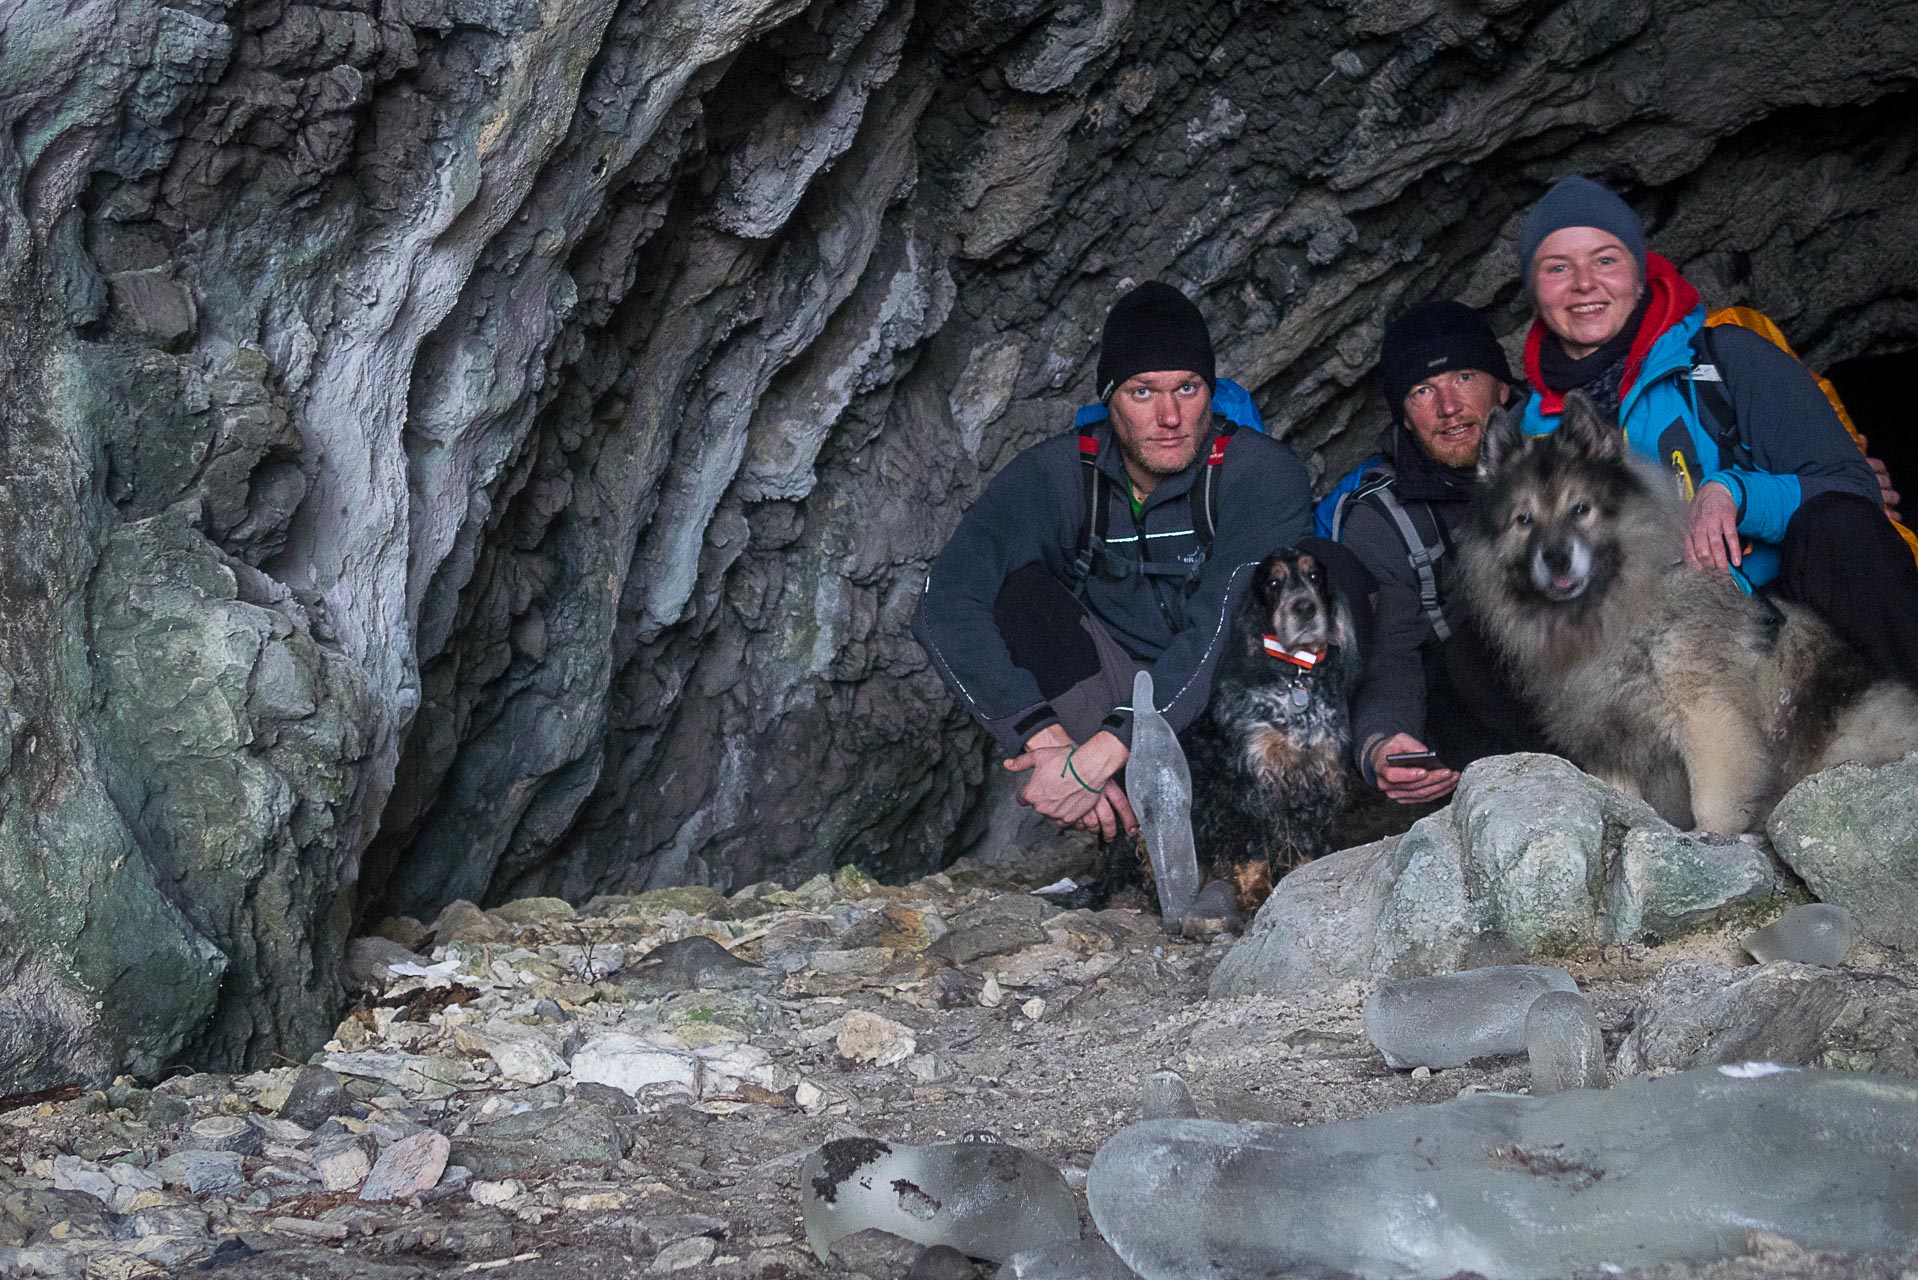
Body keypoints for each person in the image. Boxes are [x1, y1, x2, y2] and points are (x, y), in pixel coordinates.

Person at [912, 281, 1315, 841]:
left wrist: (1103, 753)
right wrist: (1048, 745)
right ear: (1110, 399)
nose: (1170, 416)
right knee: (1016, 594)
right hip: (1119, 708)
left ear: (1211, 391)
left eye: (1188, 388)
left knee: (1320, 575)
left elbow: (1222, 625)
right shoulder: (1056, 478)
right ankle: (1132, 825)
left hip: (1242, 704)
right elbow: (943, 601)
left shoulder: (1261, 475)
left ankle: (1269, 815)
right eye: (1143, 392)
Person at [1516, 176, 1918, 684]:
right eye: (1557, 268)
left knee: (1838, 527)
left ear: (1639, 276)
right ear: (1534, 293)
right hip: (1647, 656)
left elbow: (1853, 486)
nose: (1583, 283)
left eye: (1605, 259)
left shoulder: (1728, 358)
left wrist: (1733, 492)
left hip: (1785, 617)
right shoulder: (1527, 439)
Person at [1338, 301, 1545, 804]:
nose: (1448, 406)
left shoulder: (1560, 446)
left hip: (1589, 664)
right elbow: (1391, 651)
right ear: (1405, 418)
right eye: (1422, 391)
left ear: (1502, 386)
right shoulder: (1381, 515)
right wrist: (1382, 741)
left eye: (1464, 377)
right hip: (1482, 707)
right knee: (1467, 653)